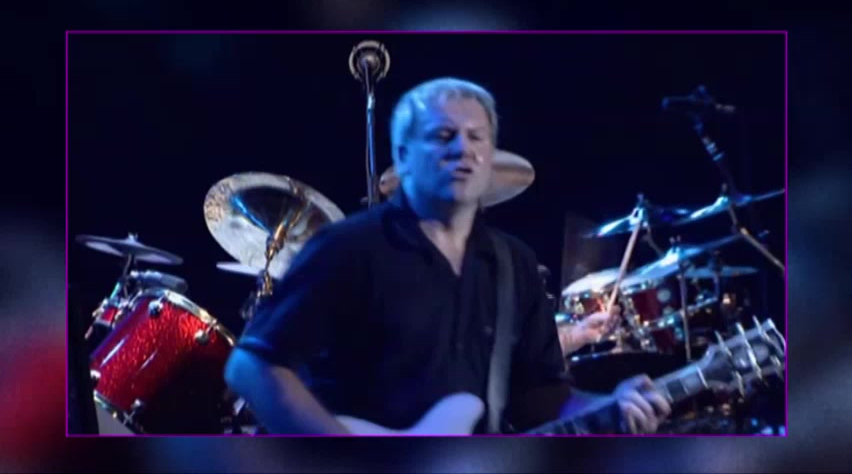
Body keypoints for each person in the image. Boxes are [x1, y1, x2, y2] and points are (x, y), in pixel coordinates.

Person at [223, 77, 671, 435]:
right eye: (443, 135)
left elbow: (542, 397)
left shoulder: (513, 263)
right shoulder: (347, 248)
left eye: (477, 137)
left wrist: (611, 406)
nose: (463, 149)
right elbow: (251, 365)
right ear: (403, 157)